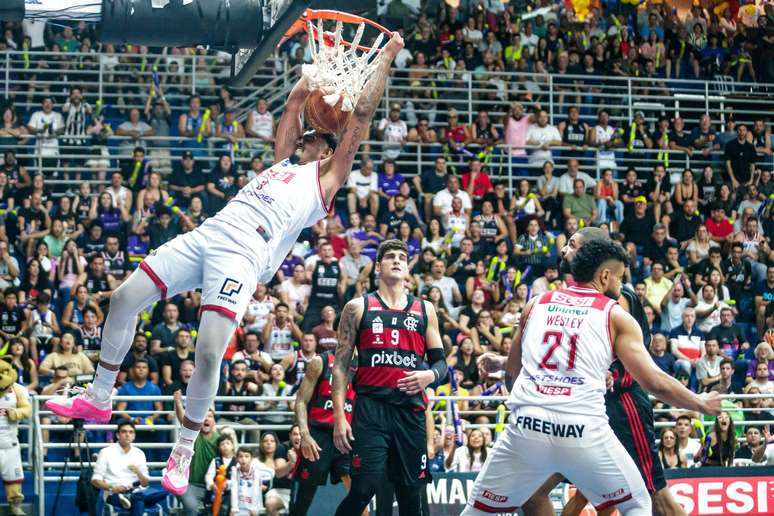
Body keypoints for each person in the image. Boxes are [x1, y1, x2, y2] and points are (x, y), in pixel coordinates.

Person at [45, 32, 407, 495]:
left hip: (243, 254)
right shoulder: (281, 165)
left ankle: (183, 449)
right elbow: (295, 105)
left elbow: (360, 115)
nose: (309, 137)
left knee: (210, 352)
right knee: (122, 299)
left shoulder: (327, 182)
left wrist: (388, 54)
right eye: (309, 135)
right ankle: (98, 397)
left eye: (319, 137)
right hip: (209, 234)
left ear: (329, 149)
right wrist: (310, 78)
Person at [464, 239, 720, 515]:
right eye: (620, 277)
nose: (622, 285)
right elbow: (653, 381)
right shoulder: (614, 315)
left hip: (527, 425)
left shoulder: (535, 304)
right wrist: (700, 403)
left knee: (479, 509)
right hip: (581, 426)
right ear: (605, 276)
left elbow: (514, 370)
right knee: (638, 503)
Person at [332, 240, 448, 515]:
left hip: (410, 411)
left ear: (407, 268)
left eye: (402, 257)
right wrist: (339, 415)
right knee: (363, 488)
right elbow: (340, 366)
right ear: (379, 267)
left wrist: (428, 376)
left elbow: (441, 364)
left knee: (411, 494)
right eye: (390, 257)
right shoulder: (357, 307)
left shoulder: (425, 309)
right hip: (371, 409)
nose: (397, 260)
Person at [290, 349, 356, 516]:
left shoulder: (363, 363)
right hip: (318, 435)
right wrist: (304, 435)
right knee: (304, 497)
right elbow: (300, 401)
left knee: (359, 492)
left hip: (347, 435)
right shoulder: (321, 361)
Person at [91, 420, 168, 516]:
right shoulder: (105, 452)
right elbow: (95, 480)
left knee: (165, 492)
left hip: (136, 491)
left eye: (131, 432)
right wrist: (112, 487)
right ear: (118, 435)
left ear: (134, 436)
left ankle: (129, 498)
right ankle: (129, 498)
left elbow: (145, 483)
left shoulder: (139, 453)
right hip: (114, 494)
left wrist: (138, 472)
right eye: (124, 432)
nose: (127, 435)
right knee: (140, 502)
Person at [0, 358, 31, 516]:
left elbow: (27, 410)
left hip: (9, 442)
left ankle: (15, 506)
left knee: (13, 478)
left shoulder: (16, 389)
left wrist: (16, 413)